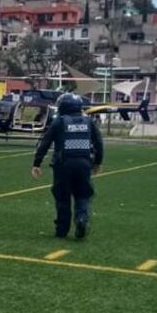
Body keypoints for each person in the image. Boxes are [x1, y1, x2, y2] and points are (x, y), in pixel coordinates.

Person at [31, 93, 104, 240]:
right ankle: (81, 218)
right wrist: (97, 162)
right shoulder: (88, 121)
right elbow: (99, 143)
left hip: (63, 164)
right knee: (82, 194)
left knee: (63, 197)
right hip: (84, 163)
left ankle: (62, 230)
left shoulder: (59, 121)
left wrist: (37, 163)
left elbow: (45, 143)